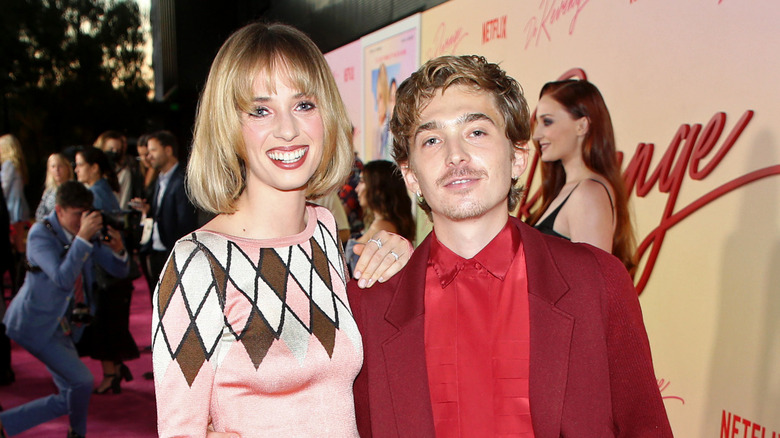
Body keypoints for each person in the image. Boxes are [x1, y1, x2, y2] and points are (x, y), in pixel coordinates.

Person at [348, 55, 672, 437]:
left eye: (477, 132)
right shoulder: (369, 307)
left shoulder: (596, 282)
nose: (456, 156)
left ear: (518, 156)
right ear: (410, 175)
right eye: (432, 140)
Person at [152, 23, 412, 438]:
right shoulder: (198, 264)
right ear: (229, 127)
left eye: (304, 104)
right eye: (260, 110)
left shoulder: (324, 231)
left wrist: (400, 259)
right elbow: (179, 430)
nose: (288, 129)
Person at [0, 181, 129, 438]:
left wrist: (119, 250)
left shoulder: (85, 232)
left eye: (86, 213)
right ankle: (7, 423)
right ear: (59, 210)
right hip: (33, 324)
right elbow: (62, 279)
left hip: (64, 325)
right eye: (76, 214)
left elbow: (119, 271)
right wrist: (82, 238)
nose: (82, 220)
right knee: (82, 382)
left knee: (72, 389)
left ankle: (76, 432)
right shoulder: (40, 234)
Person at [527, 79, 636, 274]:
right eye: (538, 122)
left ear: (582, 126)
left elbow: (592, 289)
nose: (536, 134)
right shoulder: (568, 190)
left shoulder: (588, 194)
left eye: (547, 121)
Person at [74, 146, 139, 395]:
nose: (76, 169)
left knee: (103, 323)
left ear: (94, 167)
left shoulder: (95, 195)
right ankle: (115, 370)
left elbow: (101, 239)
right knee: (108, 323)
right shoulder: (101, 191)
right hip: (110, 268)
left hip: (106, 270)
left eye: (80, 164)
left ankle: (111, 374)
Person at [129, 130, 198, 296]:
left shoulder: (182, 178)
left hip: (174, 252)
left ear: (168, 150)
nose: (149, 156)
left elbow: (185, 222)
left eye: (153, 150)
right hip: (157, 250)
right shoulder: (159, 179)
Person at [345, 160, 415, 273]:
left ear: (378, 188)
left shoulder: (383, 229)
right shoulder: (380, 223)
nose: (357, 188)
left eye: (362, 181)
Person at [35, 153, 75, 222]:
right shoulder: (49, 191)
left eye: (60, 166)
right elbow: (39, 213)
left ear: (67, 168)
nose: (57, 170)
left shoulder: (74, 189)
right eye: (53, 166)